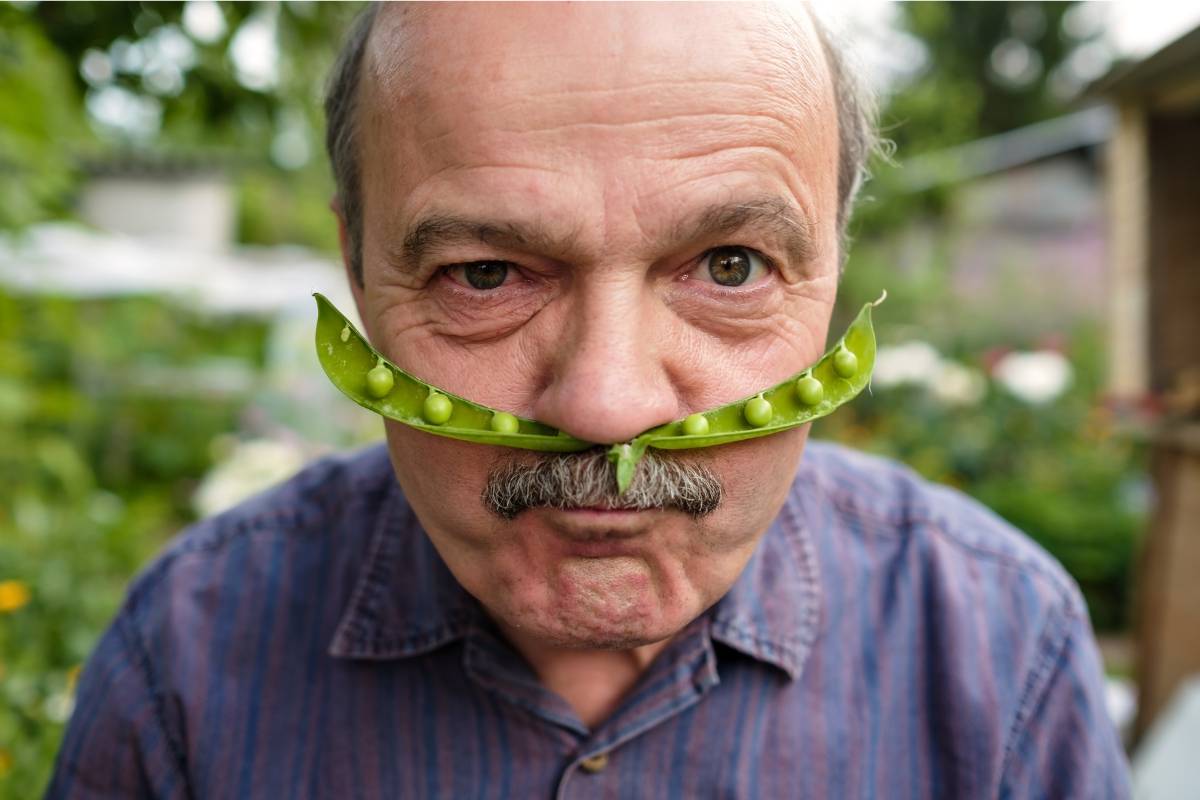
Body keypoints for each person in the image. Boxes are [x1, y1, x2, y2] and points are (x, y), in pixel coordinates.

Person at [47, 4, 1130, 798]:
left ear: (834, 272)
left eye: (732, 265)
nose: (610, 409)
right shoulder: (184, 661)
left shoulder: (999, 644)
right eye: (483, 274)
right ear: (357, 262)